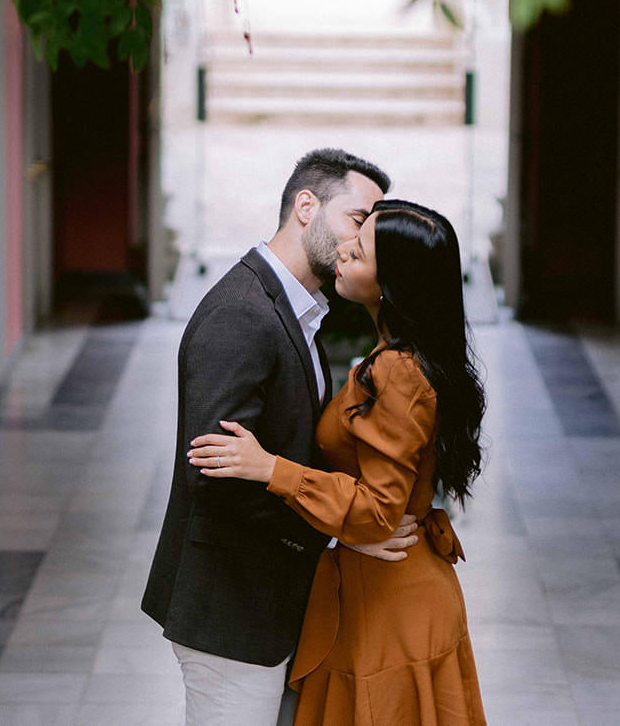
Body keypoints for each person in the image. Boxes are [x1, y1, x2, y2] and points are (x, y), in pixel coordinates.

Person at [142, 149, 418, 724]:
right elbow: (214, 478)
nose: (359, 242)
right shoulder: (242, 315)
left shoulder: (302, 311)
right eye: (357, 219)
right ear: (305, 205)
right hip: (231, 610)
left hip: (272, 599)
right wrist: (342, 532)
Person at [188, 199, 488, 725]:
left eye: (363, 248)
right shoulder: (397, 356)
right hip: (383, 592)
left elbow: (378, 514)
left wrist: (269, 469)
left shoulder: (397, 371)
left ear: (394, 280)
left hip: (391, 604)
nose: (345, 249)